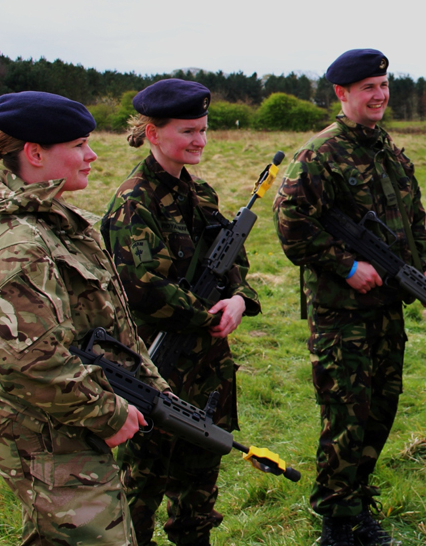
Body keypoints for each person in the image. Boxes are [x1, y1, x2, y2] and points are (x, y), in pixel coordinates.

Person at [0, 91, 170, 545]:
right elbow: (27, 362)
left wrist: (150, 387)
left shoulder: (56, 220)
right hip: (46, 438)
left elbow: (107, 323)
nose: (92, 154)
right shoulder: (19, 247)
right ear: (35, 154)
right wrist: (109, 413)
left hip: (67, 424)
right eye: (79, 144)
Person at [274, 49, 426, 546]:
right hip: (341, 314)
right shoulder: (319, 154)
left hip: (387, 307)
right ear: (342, 94)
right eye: (368, 87)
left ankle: (357, 498)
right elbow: (290, 225)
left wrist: (425, 263)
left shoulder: (386, 147)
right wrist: (345, 265)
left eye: (383, 85)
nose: (379, 95)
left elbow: (413, 217)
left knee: (382, 406)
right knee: (347, 413)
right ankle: (338, 522)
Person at [101, 79, 261, 546]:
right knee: (140, 491)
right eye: (188, 131)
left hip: (207, 370)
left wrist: (239, 299)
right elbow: (142, 288)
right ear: (152, 133)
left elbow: (233, 262)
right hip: (155, 368)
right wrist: (207, 315)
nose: (200, 141)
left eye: (205, 130)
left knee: (199, 489)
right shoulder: (133, 203)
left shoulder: (203, 194)